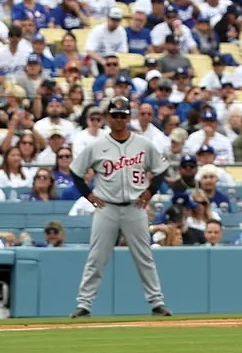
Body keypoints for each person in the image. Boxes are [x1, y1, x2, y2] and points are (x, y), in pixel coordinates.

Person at [69, 96, 171, 318]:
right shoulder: (97, 146)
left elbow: (161, 168)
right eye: (115, 115)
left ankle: (157, 302)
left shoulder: (143, 144)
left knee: (145, 256)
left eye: (123, 115)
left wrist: (150, 192)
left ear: (128, 117)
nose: (119, 119)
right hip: (107, 208)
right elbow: (76, 172)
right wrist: (89, 195)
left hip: (135, 207)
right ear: (108, 117)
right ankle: (84, 304)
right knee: (96, 257)